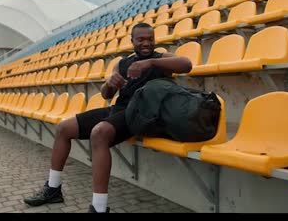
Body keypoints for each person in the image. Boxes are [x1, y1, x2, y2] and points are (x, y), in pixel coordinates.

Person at [23, 22, 192, 213]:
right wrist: (110, 83)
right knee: (63, 128)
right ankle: (53, 189)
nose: (146, 43)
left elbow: (187, 64)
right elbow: (106, 95)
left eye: (150, 39)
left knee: (99, 133)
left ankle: (99, 208)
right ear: (132, 41)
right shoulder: (122, 63)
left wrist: (151, 62)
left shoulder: (160, 58)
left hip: (140, 114)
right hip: (118, 109)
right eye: (141, 39)